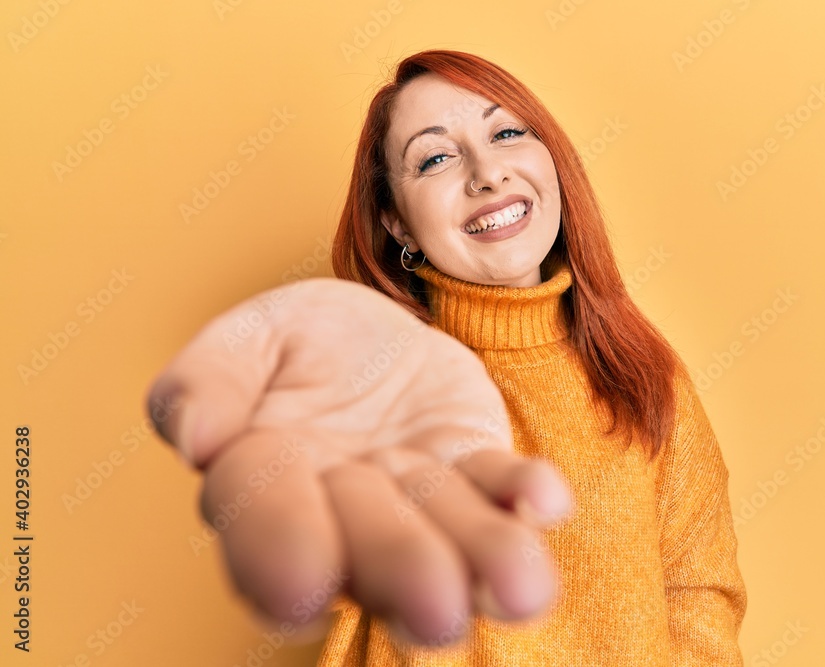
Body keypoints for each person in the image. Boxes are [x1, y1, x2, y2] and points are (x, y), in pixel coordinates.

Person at [147, 49, 746, 666]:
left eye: (507, 132)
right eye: (435, 157)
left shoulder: (641, 372)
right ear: (398, 225)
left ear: (552, 161)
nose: (487, 173)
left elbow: (701, 592)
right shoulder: (371, 382)